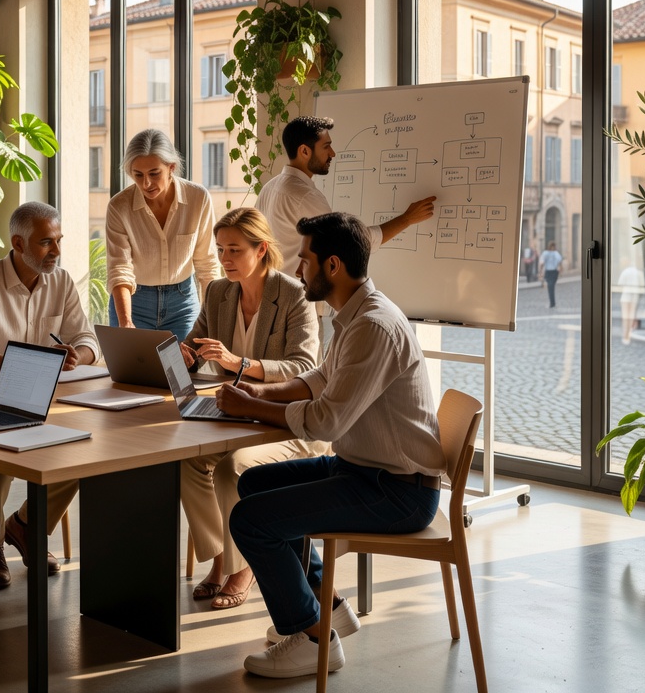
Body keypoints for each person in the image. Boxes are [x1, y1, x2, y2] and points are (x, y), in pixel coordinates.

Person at [215, 212, 444, 679]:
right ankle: (327, 604)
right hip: (364, 470)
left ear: (333, 266)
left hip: (398, 492)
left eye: (306, 259)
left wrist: (250, 409)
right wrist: (256, 394)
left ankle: (311, 637)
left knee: (251, 521)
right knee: (254, 482)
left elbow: (326, 417)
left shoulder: (373, 327)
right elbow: (317, 380)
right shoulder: (355, 315)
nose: (298, 269)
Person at [0, 202, 99, 589]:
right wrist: (32, 364)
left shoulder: (62, 281)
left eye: (58, 241)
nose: (56, 250)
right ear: (18, 242)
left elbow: (86, 338)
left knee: (85, 450)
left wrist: (76, 355)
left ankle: (25, 525)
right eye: (46, 242)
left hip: (54, 397)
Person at [178, 207, 320, 610]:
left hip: (288, 424)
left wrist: (240, 364)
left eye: (234, 250)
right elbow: (196, 342)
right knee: (188, 461)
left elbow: (305, 368)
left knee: (230, 467)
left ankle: (243, 569)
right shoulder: (219, 292)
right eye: (220, 250)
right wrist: (184, 356)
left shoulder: (294, 295)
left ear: (261, 250)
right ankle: (221, 558)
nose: (224, 259)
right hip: (237, 416)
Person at [255, 116, 436, 277]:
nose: (332, 153)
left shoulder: (269, 188)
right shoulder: (305, 196)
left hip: (273, 297)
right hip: (294, 301)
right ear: (304, 151)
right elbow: (351, 243)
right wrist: (407, 219)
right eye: (326, 147)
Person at [105, 129, 218, 341]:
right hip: (134, 301)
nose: (146, 183)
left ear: (171, 167)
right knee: (130, 373)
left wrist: (212, 319)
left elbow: (207, 265)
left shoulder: (198, 198)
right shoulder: (119, 207)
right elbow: (120, 269)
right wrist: (126, 321)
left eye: (154, 173)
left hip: (182, 303)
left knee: (184, 371)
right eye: (138, 175)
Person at [616, 265, 643, 345]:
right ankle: (629, 334)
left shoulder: (625, 271)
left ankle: (625, 336)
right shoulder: (639, 273)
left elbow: (620, 284)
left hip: (625, 295)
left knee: (625, 316)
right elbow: (642, 285)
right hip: (635, 295)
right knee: (631, 315)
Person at [541, 241, 563, 308]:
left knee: (550, 287)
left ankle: (552, 303)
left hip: (548, 272)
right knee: (551, 287)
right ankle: (552, 302)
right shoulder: (556, 253)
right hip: (554, 272)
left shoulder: (545, 253)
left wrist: (540, 271)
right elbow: (560, 260)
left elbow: (542, 263)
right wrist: (560, 269)